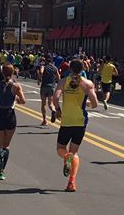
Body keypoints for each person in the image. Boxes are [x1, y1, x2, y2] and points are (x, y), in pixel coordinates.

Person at [52, 59, 98, 192]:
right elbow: (95, 103)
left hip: (67, 120)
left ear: (70, 69)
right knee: (75, 152)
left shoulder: (63, 81)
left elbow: (55, 97)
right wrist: (87, 104)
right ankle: (71, 182)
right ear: (83, 69)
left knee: (61, 148)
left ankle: (66, 157)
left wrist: (58, 109)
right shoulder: (87, 83)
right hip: (80, 120)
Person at [0, 64, 27, 180]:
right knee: (6, 146)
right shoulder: (16, 86)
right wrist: (16, 99)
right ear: (12, 73)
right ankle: (1, 172)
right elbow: (23, 101)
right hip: (10, 116)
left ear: (2, 73)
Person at [37, 57, 60, 126]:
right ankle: (53, 110)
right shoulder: (55, 68)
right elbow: (58, 78)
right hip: (51, 87)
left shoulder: (43, 67)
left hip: (44, 86)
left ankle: (44, 120)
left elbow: (41, 72)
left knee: (43, 104)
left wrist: (39, 77)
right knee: (50, 104)